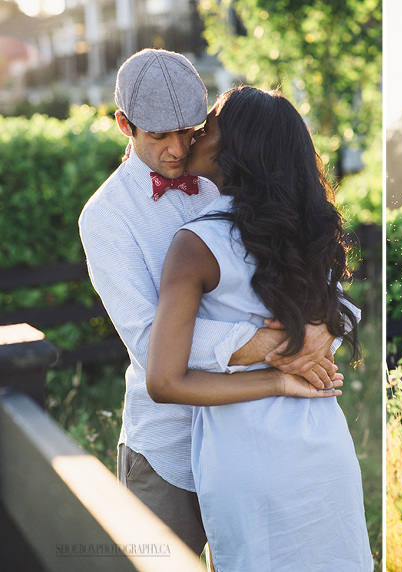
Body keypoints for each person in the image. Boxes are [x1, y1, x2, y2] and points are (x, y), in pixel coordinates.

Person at [79, 49, 340, 557]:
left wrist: (325, 324)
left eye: (189, 131)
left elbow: (305, 254)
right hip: (168, 450)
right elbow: (149, 342)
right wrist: (275, 344)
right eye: (159, 136)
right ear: (123, 124)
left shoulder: (228, 174)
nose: (178, 149)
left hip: (251, 437)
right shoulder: (105, 217)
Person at [145, 86, 372, 570]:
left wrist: (275, 376)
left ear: (235, 147)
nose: (194, 135)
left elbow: (163, 381)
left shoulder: (194, 245)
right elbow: (341, 309)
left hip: (246, 458)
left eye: (208, 126)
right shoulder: (310, 232)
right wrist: (296, 355)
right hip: (324, 443)